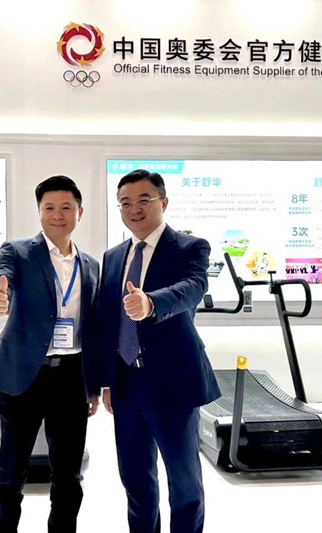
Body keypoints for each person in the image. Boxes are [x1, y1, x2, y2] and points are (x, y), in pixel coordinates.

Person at [97, 168, 221, 533]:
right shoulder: (113, 256)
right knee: (136, 480)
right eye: (125, 203)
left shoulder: (189, 247)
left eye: (143, 200)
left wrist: (152, 303)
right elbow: (107, 319)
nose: (134, 209)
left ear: (163, 202)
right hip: (126, 384)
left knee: (184, 484)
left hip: (173, 384)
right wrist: (106, 381)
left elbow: (193, 287)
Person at [0, 175, 101, 533]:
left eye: (66, 207)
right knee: (10, 473)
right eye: (49, 207)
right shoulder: (17, 252)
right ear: (39, 212)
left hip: (72, 376)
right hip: (24, 375)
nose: (58, 215)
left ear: (80, 212)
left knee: (68, 475)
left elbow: (93, 329)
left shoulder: (91, 265)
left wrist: (93, 386)